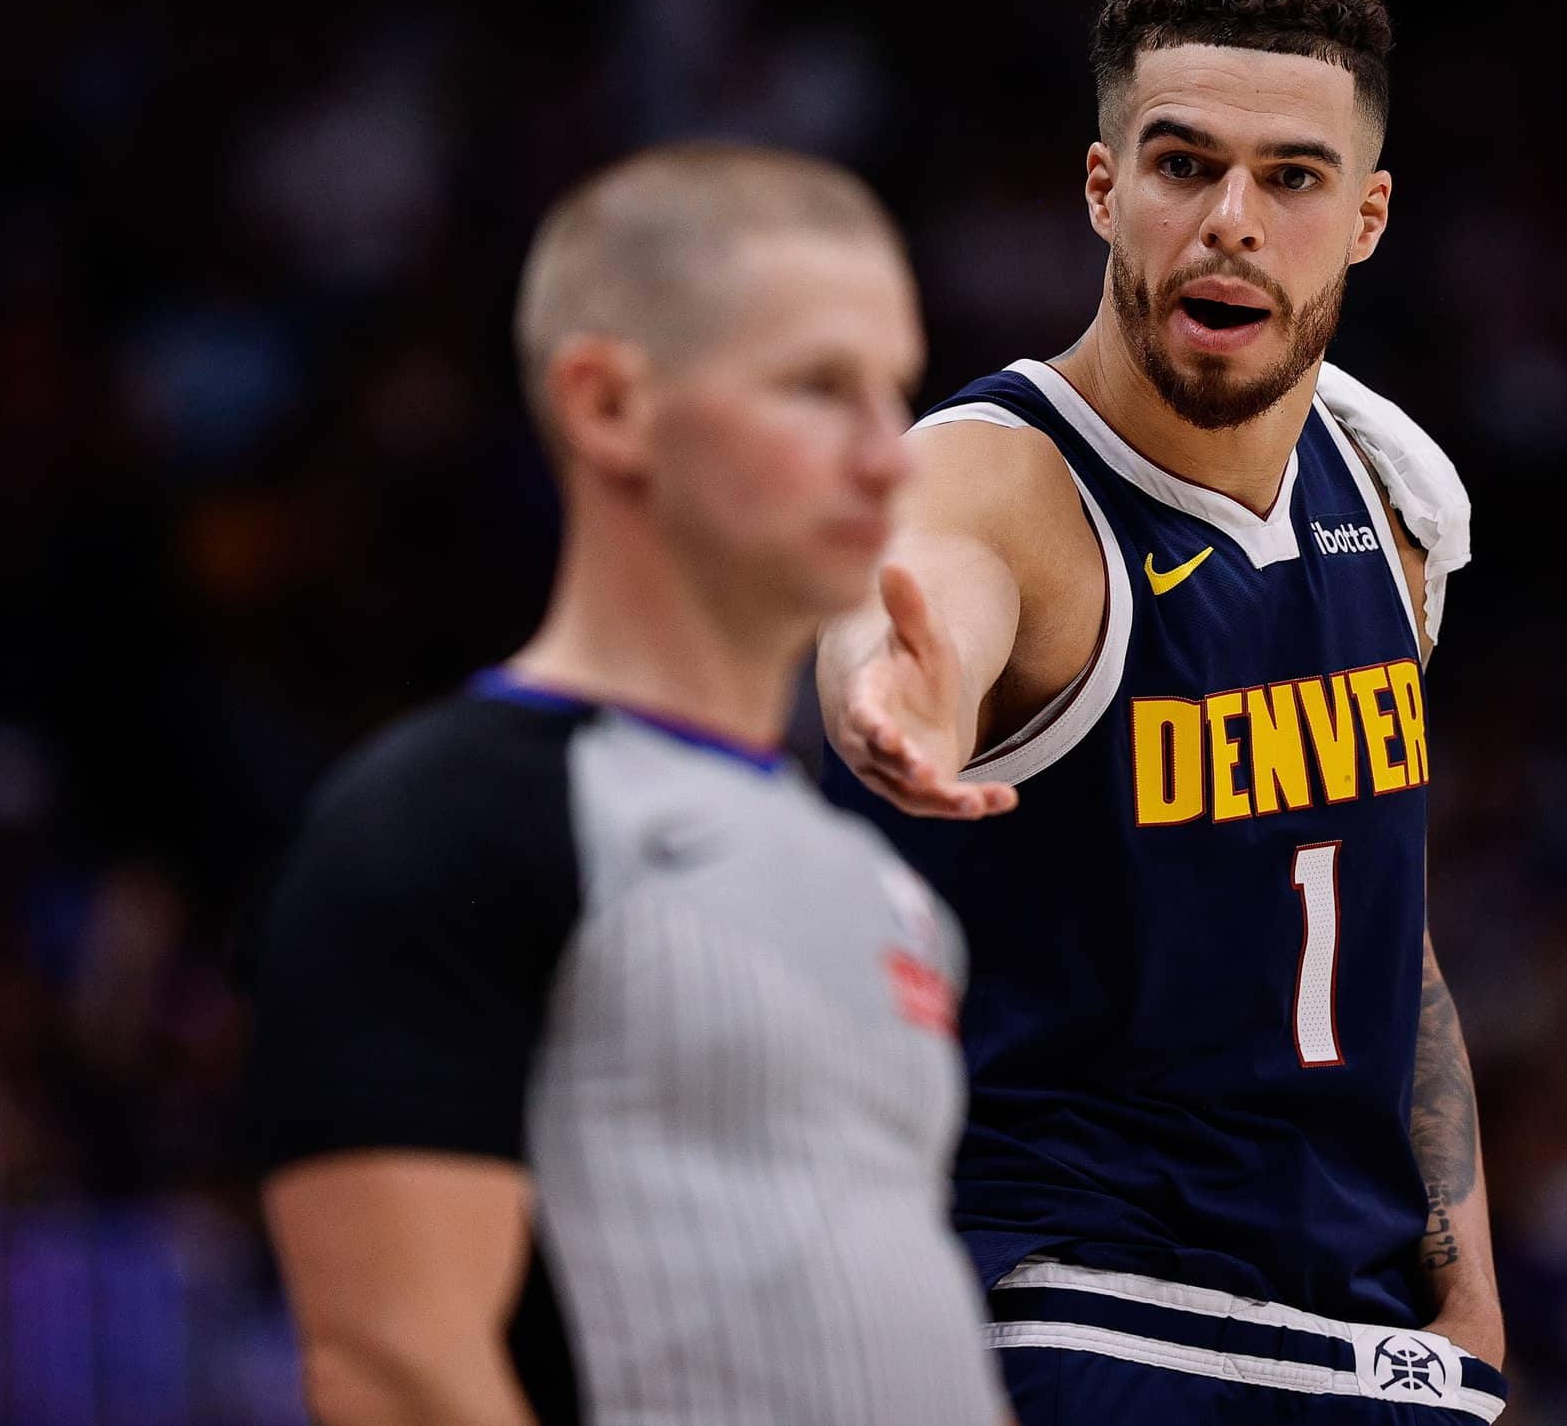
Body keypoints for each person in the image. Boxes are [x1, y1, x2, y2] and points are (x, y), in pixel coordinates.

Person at [819, 0, 1506, 1421]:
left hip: (1359, 1326)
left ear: (1369, 216)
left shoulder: (1392, 494)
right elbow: (921, 593)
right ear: (1101, 189)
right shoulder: (1001, 477)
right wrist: (893, 700)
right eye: (1183, 164)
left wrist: (1470, 1294)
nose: (1230, 222)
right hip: (1085, 1306)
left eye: (1293, 178)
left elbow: (1377, 909)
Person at [248, 144, 1007, 1426]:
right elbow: (391, 1367)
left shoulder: (877, 878)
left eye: (897, 390)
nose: (891, 458)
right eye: (819, 388)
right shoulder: (438, 820)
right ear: (607, 405)